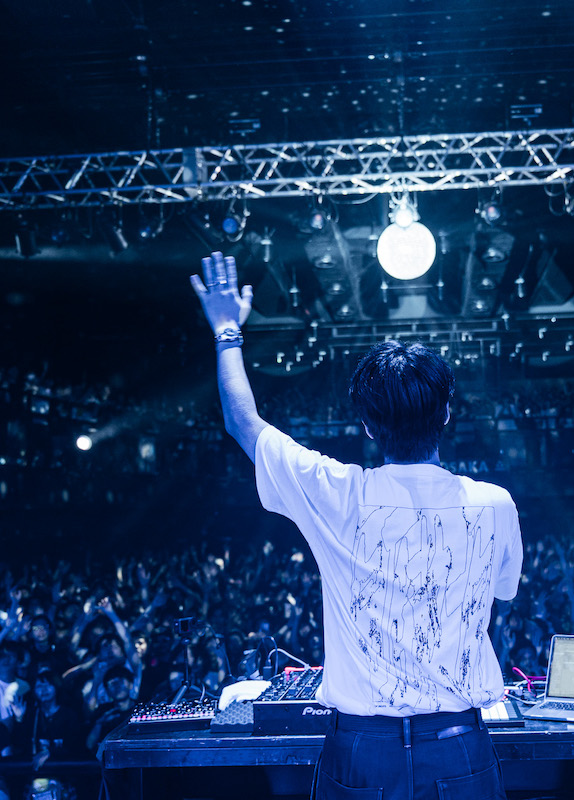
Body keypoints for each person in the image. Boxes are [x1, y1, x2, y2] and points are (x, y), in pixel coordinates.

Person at [191, 252, 523, 800]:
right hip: (460, 742)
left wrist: (228, 332)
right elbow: (503, 593)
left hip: (361, 750)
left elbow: (242, 422)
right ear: (446, 414)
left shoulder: (337, 494)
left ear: (367, 426)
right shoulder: (495, 504)